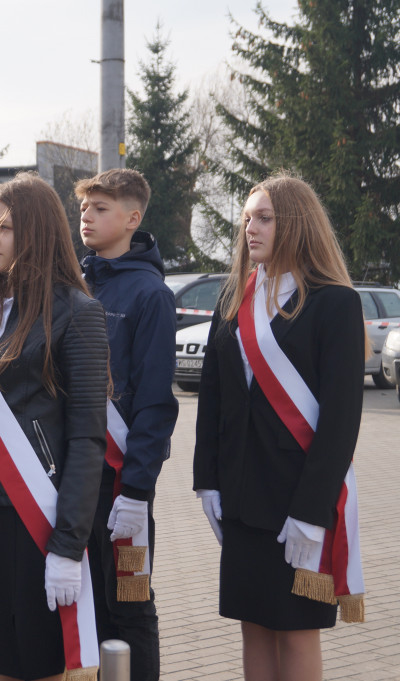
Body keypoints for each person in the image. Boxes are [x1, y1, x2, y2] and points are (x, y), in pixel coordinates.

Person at [193, 173, 366, 681]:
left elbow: (340, 421)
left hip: (298, 502)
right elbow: (213, 398)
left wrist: (313, 514)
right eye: (247, 218)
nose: (251, 228)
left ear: (295, 222)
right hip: (242, 497)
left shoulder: (334, 302)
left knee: (294, 630)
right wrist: (207, 479)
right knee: (253, 625)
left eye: (264, 218)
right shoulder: (235, 298)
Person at [0, 173, 108, 681]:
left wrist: (67, 545)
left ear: (35, 233)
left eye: (4, 229)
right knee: (2, 665)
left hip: (38, 515)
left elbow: (86, 440)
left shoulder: (78, 314)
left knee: (42, 667)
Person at [76, 169, 178, 681]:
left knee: (130, 608)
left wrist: (137, 491)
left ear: (132, 219)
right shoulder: (76, 280)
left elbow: (156, 404)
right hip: (73, 481)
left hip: (121, 488)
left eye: (100, 208)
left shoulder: (150, 294)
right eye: (84, 208)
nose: (86, 217)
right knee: (85, 605)